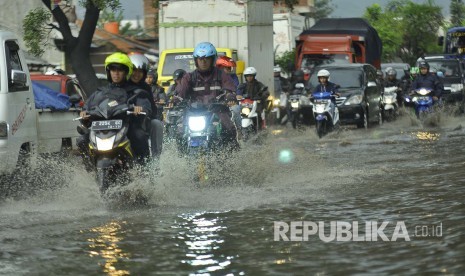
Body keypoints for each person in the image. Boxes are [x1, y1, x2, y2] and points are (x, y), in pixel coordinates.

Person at [78, 52, 152, 164]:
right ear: (108, 72)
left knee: (139, 136)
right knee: (82, 140)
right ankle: (89, 167)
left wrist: (140, 109)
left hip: (126, 127)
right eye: (113, 69)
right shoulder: (100, 92)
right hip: (101, 128)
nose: (116, 73)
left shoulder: (135, 92)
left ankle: (145, 170)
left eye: (120, 70)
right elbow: (87, 107)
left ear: (126, 72)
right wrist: (84, 113)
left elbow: (145, 106)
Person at [175, 42, 238, 144]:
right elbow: (181, 90)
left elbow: (228, 87)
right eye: (200, 59)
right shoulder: (189, 76)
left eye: (206, 59)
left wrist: (230, 95)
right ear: (196, 60)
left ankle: (232, 155)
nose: (203, 62)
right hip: (193, 112)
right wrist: (175, 99)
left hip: (217, 110)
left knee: (229, 128)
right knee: (179, 131)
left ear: (212, 59)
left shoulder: (221, 75)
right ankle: (182, 158)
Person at [128, 52, 164, 161]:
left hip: (140, 121)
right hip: (122, 120)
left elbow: (152, 108)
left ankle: (156, 159)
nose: (137, 74)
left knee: (157, 124)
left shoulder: (146, 88)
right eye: (134, 70)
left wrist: (145, 111)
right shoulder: (120, 85)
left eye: (140, 71)